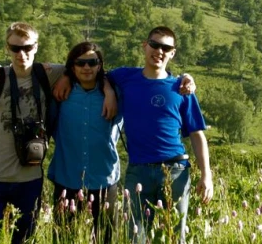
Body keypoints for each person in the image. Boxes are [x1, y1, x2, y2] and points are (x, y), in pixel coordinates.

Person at [55, 26, 213, 244]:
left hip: (175, 170)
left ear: (173, 53)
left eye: (166, 47)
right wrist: (107, 90)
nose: (159, 51)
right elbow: (97, 73)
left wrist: (207, 175)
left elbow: (197, 134)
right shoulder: (125, 77)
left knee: (175, 235)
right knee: (134, 236)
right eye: (155, 45)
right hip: (138, 171)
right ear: (145, 46)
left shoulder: (182, 88)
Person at [0, 22, 58, 244]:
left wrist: (107, 90)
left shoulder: (49, 74)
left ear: (36, 47)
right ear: (7, 49)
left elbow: (87, 70)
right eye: (15, 48)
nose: (22, 54)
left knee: (25, 240)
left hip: (29, 179)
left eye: (27, 48)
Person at [47, 41, 121, 243]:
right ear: (72, 66)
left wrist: (185, 79)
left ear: (100, 65)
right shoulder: (60, 94)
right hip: (67, 178)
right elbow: (28, 66)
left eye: (92, 62)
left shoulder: (116, 94)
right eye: (80, 63)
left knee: (106, 238)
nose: (86, 67)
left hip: (104, 179)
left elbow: (146, 78)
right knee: (63, 239)